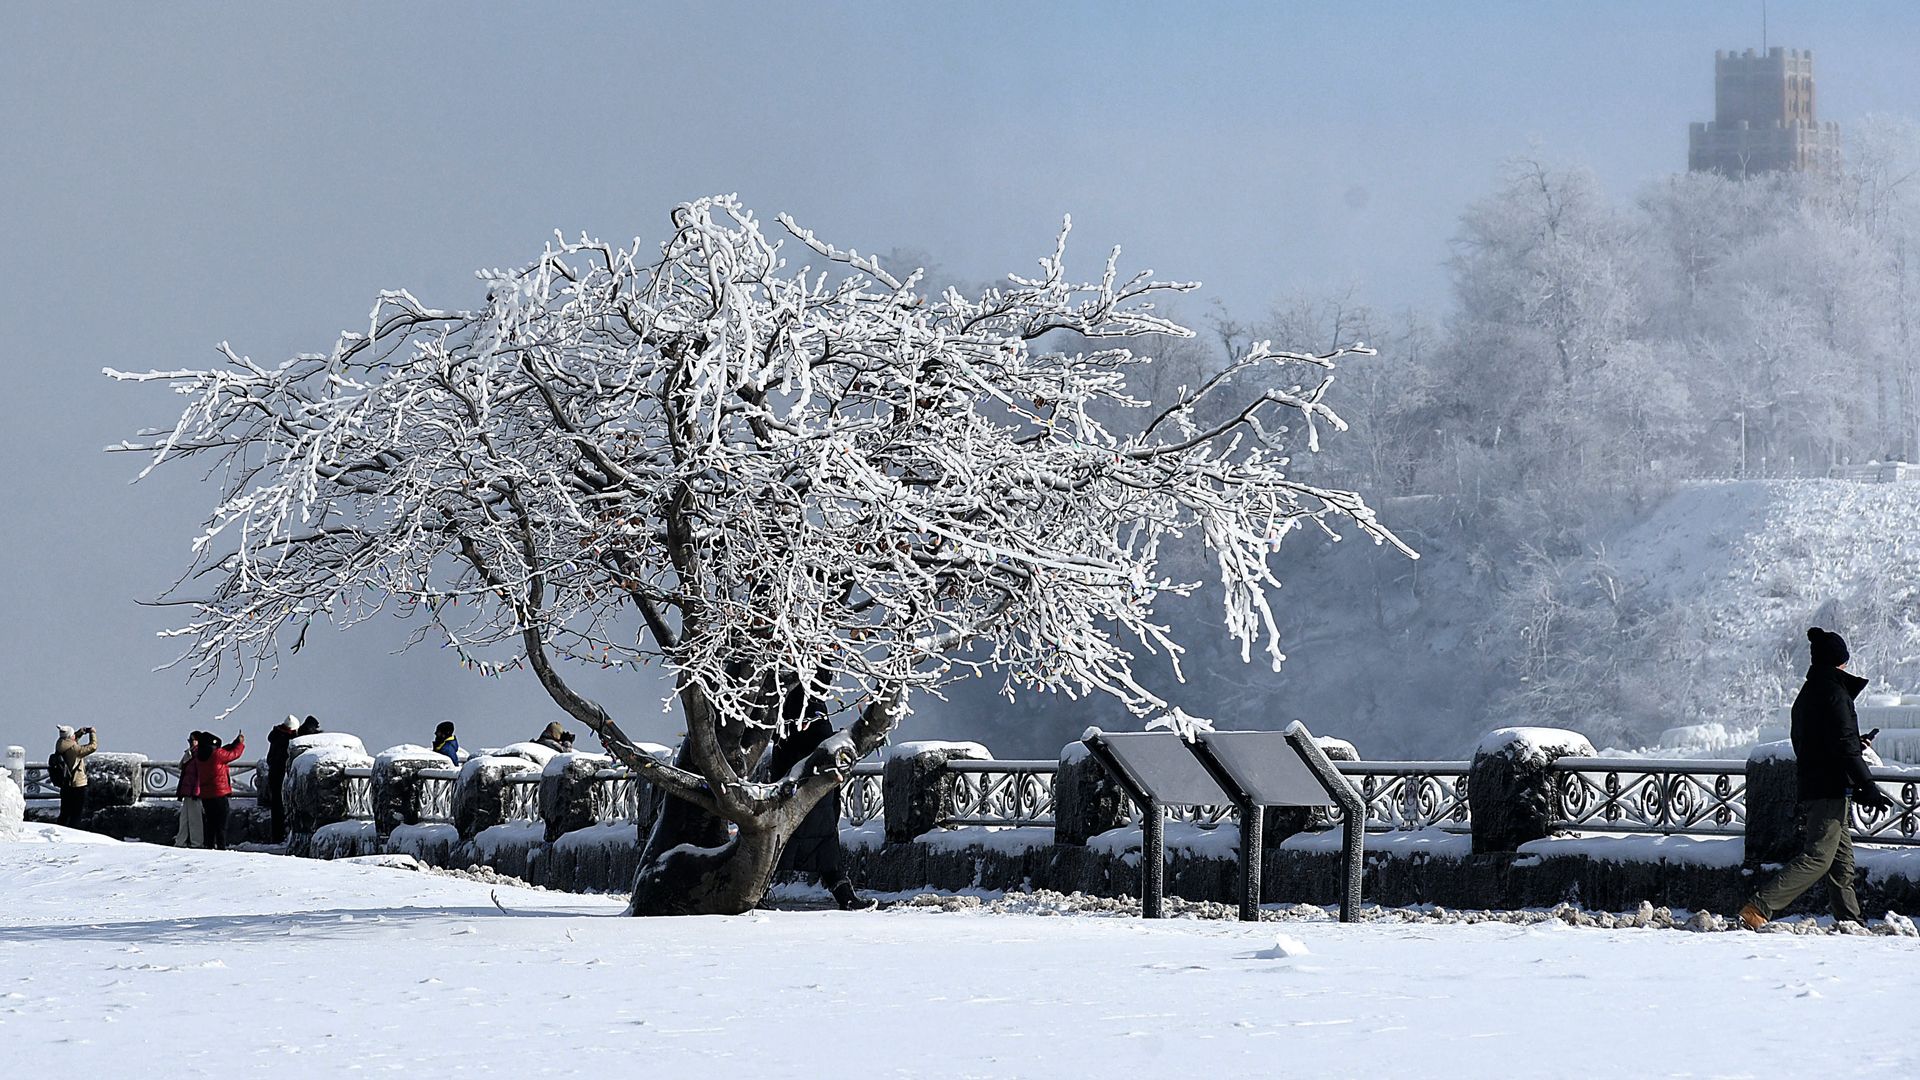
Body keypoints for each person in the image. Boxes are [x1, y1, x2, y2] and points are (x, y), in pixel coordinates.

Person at [1741, 627, 1895, 930]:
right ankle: (1758, 907)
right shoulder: (1835, 694)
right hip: (1828, 788)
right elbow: (1844, 747)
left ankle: (1851, 921)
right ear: (1839, 661)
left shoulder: (1809, 694)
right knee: (1818, 857)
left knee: (1841, 862)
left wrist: (1853, 751)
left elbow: (1821, 742)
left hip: (1818, 784)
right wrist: (1867, 785)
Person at [765, 703, 874, 911]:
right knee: (820, 845)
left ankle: (758, 891)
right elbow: (816, 738)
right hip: (808, 782)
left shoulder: (791, 705)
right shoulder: (804, 704)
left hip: (804, 783)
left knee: (782, 841)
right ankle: (845, 897)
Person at [195, 729, 247, 851]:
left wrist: (233, 743)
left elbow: (222, 750)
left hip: (206, 794)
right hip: (219, 793)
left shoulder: (199, 755)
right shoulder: (216, 755)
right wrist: (239, 744)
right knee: (221, 823)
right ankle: (221, 847)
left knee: (210, 822)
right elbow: (233, 754)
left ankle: (209, 845)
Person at [51, 725, 100, 828]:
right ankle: (73, 832)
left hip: (65, 784)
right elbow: (93, 746)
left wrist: (79, 733)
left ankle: (60, 830)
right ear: (70, 736)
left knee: (64, 812)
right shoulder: (75, 750)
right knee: (76, 812)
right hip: (76, 783)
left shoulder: (60, 744)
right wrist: (92, 733)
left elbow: (71, 742)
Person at [265, 716, 297, 843]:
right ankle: (281, 835)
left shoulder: (276, 735)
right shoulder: (287, 739)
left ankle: (277, 835)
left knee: (276, 805)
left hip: (274, 773)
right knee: (282, 805)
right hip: (282, 774)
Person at [174, 732, 205, 848]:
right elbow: (181, 766)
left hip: (193, 791)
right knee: (185, 819)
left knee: (194, 819)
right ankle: (181, 841)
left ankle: (196, 843)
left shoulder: (199, 754)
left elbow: (199, 775)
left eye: (193, 740)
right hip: (188, 791)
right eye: (190, 740)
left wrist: (197, 791)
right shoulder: (191, 753)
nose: (191, 742)